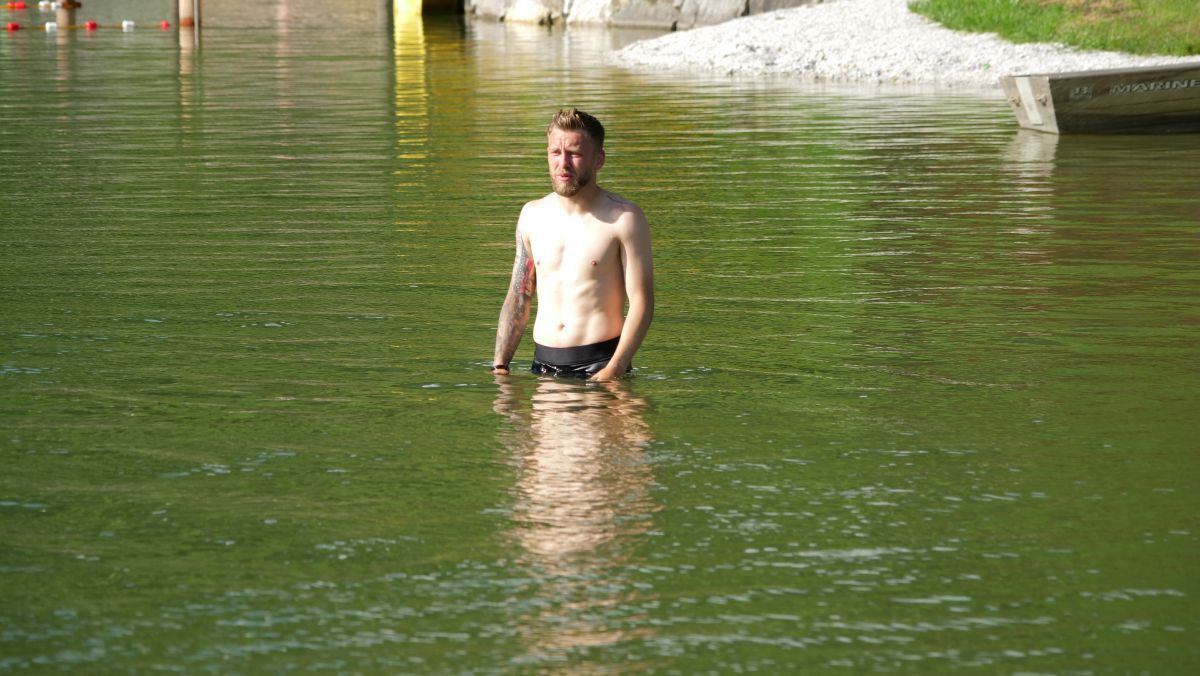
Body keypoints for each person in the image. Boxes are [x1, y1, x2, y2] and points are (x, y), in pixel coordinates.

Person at [491, 109, 654, 380]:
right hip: (543, 366)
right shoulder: (532, 215)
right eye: (556, 152)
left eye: (575, 154)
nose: (563, 163)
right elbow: (520, 294)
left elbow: (642, 301)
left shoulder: (624, 219)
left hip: (600, 365)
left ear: (598, 159)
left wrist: (614, 369)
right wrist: (500, 365)